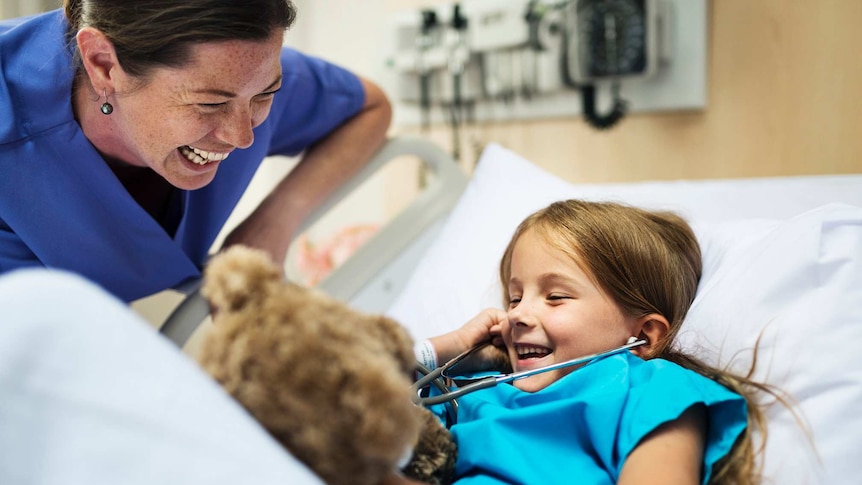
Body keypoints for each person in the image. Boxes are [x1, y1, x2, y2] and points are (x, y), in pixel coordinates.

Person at [0, 0, 392, 302]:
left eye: (266, 94)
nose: (243, 137)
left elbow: (371, 109)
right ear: (103, 65)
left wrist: (273, 222)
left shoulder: (236, 70)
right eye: (209, 104)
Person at [416, 199, 780, 485]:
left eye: (556, 296)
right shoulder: (463, 394)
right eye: (514, 298)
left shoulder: (652, 391)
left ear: (643, 337)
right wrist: (440, 354)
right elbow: (369, 414)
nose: (516, 315)